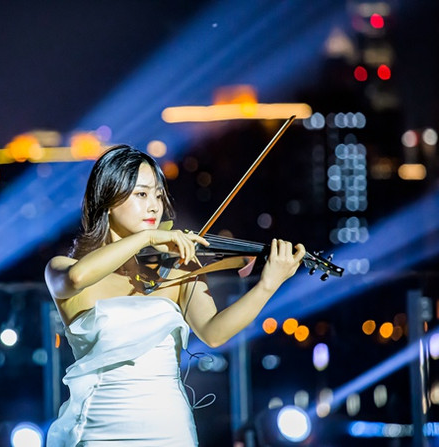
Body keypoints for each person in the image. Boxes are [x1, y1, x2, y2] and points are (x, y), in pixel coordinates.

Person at [44, 145, 305, 446]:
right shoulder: (63, 268)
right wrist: (148, 237)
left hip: (170, 427)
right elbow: (76, 278)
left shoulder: (176, 268)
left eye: (158, 196)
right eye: (141, 194)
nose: (154, 207)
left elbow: (214, 333)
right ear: (108, 198)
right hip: (98, 430)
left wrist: (268, 285)